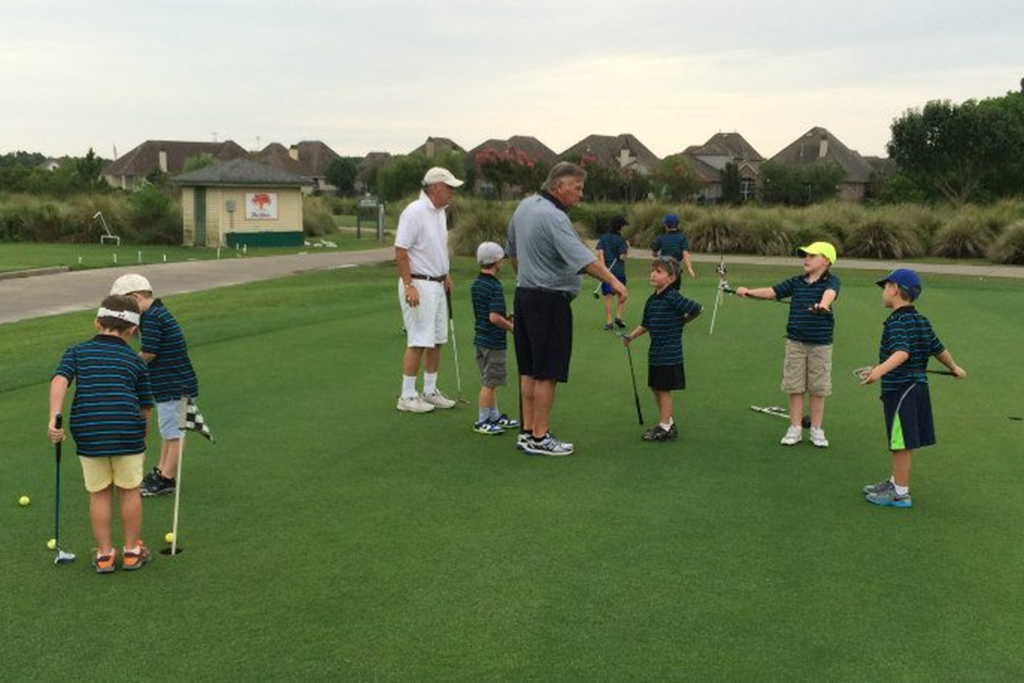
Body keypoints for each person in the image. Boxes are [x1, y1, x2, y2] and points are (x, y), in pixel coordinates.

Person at [507, 161, 627, 456]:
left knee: (529, 369)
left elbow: (512, 252)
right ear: (559, 186)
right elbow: (584, 260)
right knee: (547, 372)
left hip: (525, 296)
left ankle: (527, 432)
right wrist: (613, 281)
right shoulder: (554, 216)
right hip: (549, 302)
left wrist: (525, 278)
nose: (580, 194)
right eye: (577, 188)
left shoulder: (524, 206)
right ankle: (540, 437)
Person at [48, 295, 154, 573]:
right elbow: (145, 407)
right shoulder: (136, 361)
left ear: (97, 322)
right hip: (127, 433)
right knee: (129, 491)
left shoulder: (76, 352)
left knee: (99, 493)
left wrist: (54, 417)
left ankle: (105, 555)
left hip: (90, 433)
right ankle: (132, 552)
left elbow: (60, 379)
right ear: (133, 330)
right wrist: (142, 441)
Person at [859, 269, 966, 508]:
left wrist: (877, 372)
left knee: (900, 442)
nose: (883, 291)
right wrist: (954, 367)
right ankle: (895, 482)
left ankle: (900, 493)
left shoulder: (897, 321)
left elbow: (901, 352)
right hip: (916, 389)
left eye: (885, 287)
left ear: (896, 289)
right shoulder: (921, 320)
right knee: (902, 439)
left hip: (901, 389)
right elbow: (938, 348)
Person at [734, 242, 839, 447]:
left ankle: (816, 429)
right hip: (795, 342)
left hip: (820, 345)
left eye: (812, 255)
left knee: (818, 388)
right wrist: (748, 292)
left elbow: (830, 294)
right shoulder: (796, 282)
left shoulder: (832, 281)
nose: (806, 259)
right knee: (795, 386)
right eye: (805, 255)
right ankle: (795, 428)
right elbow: (771, 291)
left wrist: (824, 305)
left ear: (826, 261)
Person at [110, 273, 199, 498]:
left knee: (174, 434)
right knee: (168, 432)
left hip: (174, 386)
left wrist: (128, 367)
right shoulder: (155, 313)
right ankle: (161, 471)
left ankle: (166, 478)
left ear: (136, 297)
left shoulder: (152, 318)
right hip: (171, 385)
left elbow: (149, 353)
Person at [395, 167, 464, 413]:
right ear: (435, 188)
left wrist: (446, 274)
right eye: (449, 188)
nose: (452, 192)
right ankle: (407, 396)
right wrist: (408, 285)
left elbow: (437, 248)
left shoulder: (440, 212)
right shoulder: (414, 212)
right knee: (419, 340)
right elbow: (401, 251)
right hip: (418, 283)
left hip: (437, 283)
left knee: (436, 339)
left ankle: (430, 390)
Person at [623, 257, 702, 442]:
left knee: (664, 390)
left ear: (671, 278)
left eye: (658, 272)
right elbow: (646, 323)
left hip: (670, 354)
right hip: (655, 353)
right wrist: (632, 335)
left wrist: (682, 322)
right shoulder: (652, 300)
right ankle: (668, 422)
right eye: (652, 270)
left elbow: (697, 308)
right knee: (655, 387)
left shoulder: (673, 297)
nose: (653, 274)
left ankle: (665, 427)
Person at [470, 241, 518, 435]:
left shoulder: (477, 284)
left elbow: (488, 313)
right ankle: (482, 420)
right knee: (489, 383)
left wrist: (506, 317)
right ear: (497, 262)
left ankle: (494, 415)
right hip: (494, 341)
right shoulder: (495, 286)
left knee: (490, 381)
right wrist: (512, 328)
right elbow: (494, 317)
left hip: (481, 339)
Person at [596, 215, 630, 330]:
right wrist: (627, 249)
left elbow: (600, 254)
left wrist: (602, 268)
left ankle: (609, 322)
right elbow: (622, 257)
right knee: (621, 294)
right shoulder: (621, 240)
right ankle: (618, 317)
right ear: (621, 227)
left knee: (608, 296)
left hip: (606, 272)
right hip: (618, 272)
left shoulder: (603, 238)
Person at [651, 214, 695, 288]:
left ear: (666, 225)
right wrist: (689, 268)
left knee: (663, 290)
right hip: (676, 269)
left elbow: (654, 253)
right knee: (674, 290)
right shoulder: (682, 238)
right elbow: (685, 253)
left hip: (664, 269)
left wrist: (660, 256)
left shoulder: (661, 238)